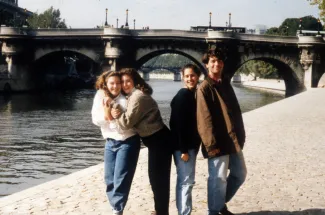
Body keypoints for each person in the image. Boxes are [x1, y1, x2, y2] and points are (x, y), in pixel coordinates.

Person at [111, 68, 173, 215]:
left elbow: (126, 123)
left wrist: (116, 109)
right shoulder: (133, 96)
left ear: (135, 81)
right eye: (123, 82)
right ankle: (160, 210)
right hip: (156, 141)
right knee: (156, 179)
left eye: (128, 81)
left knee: (159, 180)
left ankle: (162, 212)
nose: (125, 84)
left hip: (160, 141)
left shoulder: (138, 97)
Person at [196, 49, 247, 215]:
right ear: (207, 65)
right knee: (217, 179)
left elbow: (236, 111)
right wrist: (211, 146)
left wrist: (241, 135)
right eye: (213, 61)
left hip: (232, 139)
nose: (216, 64)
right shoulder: (204, 88)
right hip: (217, 143)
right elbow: (204, 121)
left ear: (222, 64)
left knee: (240, 173)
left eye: (219, 61)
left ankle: (219, 203)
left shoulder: (225, 84)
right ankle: (214, 210)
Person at [91, 71, 141, 215]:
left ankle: (117, 210)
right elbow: (95, 119)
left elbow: (126, 124)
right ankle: (116, 206)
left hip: (127, 141)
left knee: (121, 178)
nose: (116, 86)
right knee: (109, 179)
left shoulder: (125, 99)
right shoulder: (100, 96)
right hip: (110, 142)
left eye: (118, 83)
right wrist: (108, 116)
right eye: (112, 83)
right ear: (106, 84)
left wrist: (111, 119)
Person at [169, 64, 202, 215]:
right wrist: (183, 150)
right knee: (186, 182)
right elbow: (176, 124)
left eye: (192, 75)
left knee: (184, 181)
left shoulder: (191, 94)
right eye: (187, 76)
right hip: (184, 148)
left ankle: (183, 211)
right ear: (183, 77)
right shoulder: (184, 95)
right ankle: (184, 212)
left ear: (198, 76)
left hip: (187, 146)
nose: (190, 78)